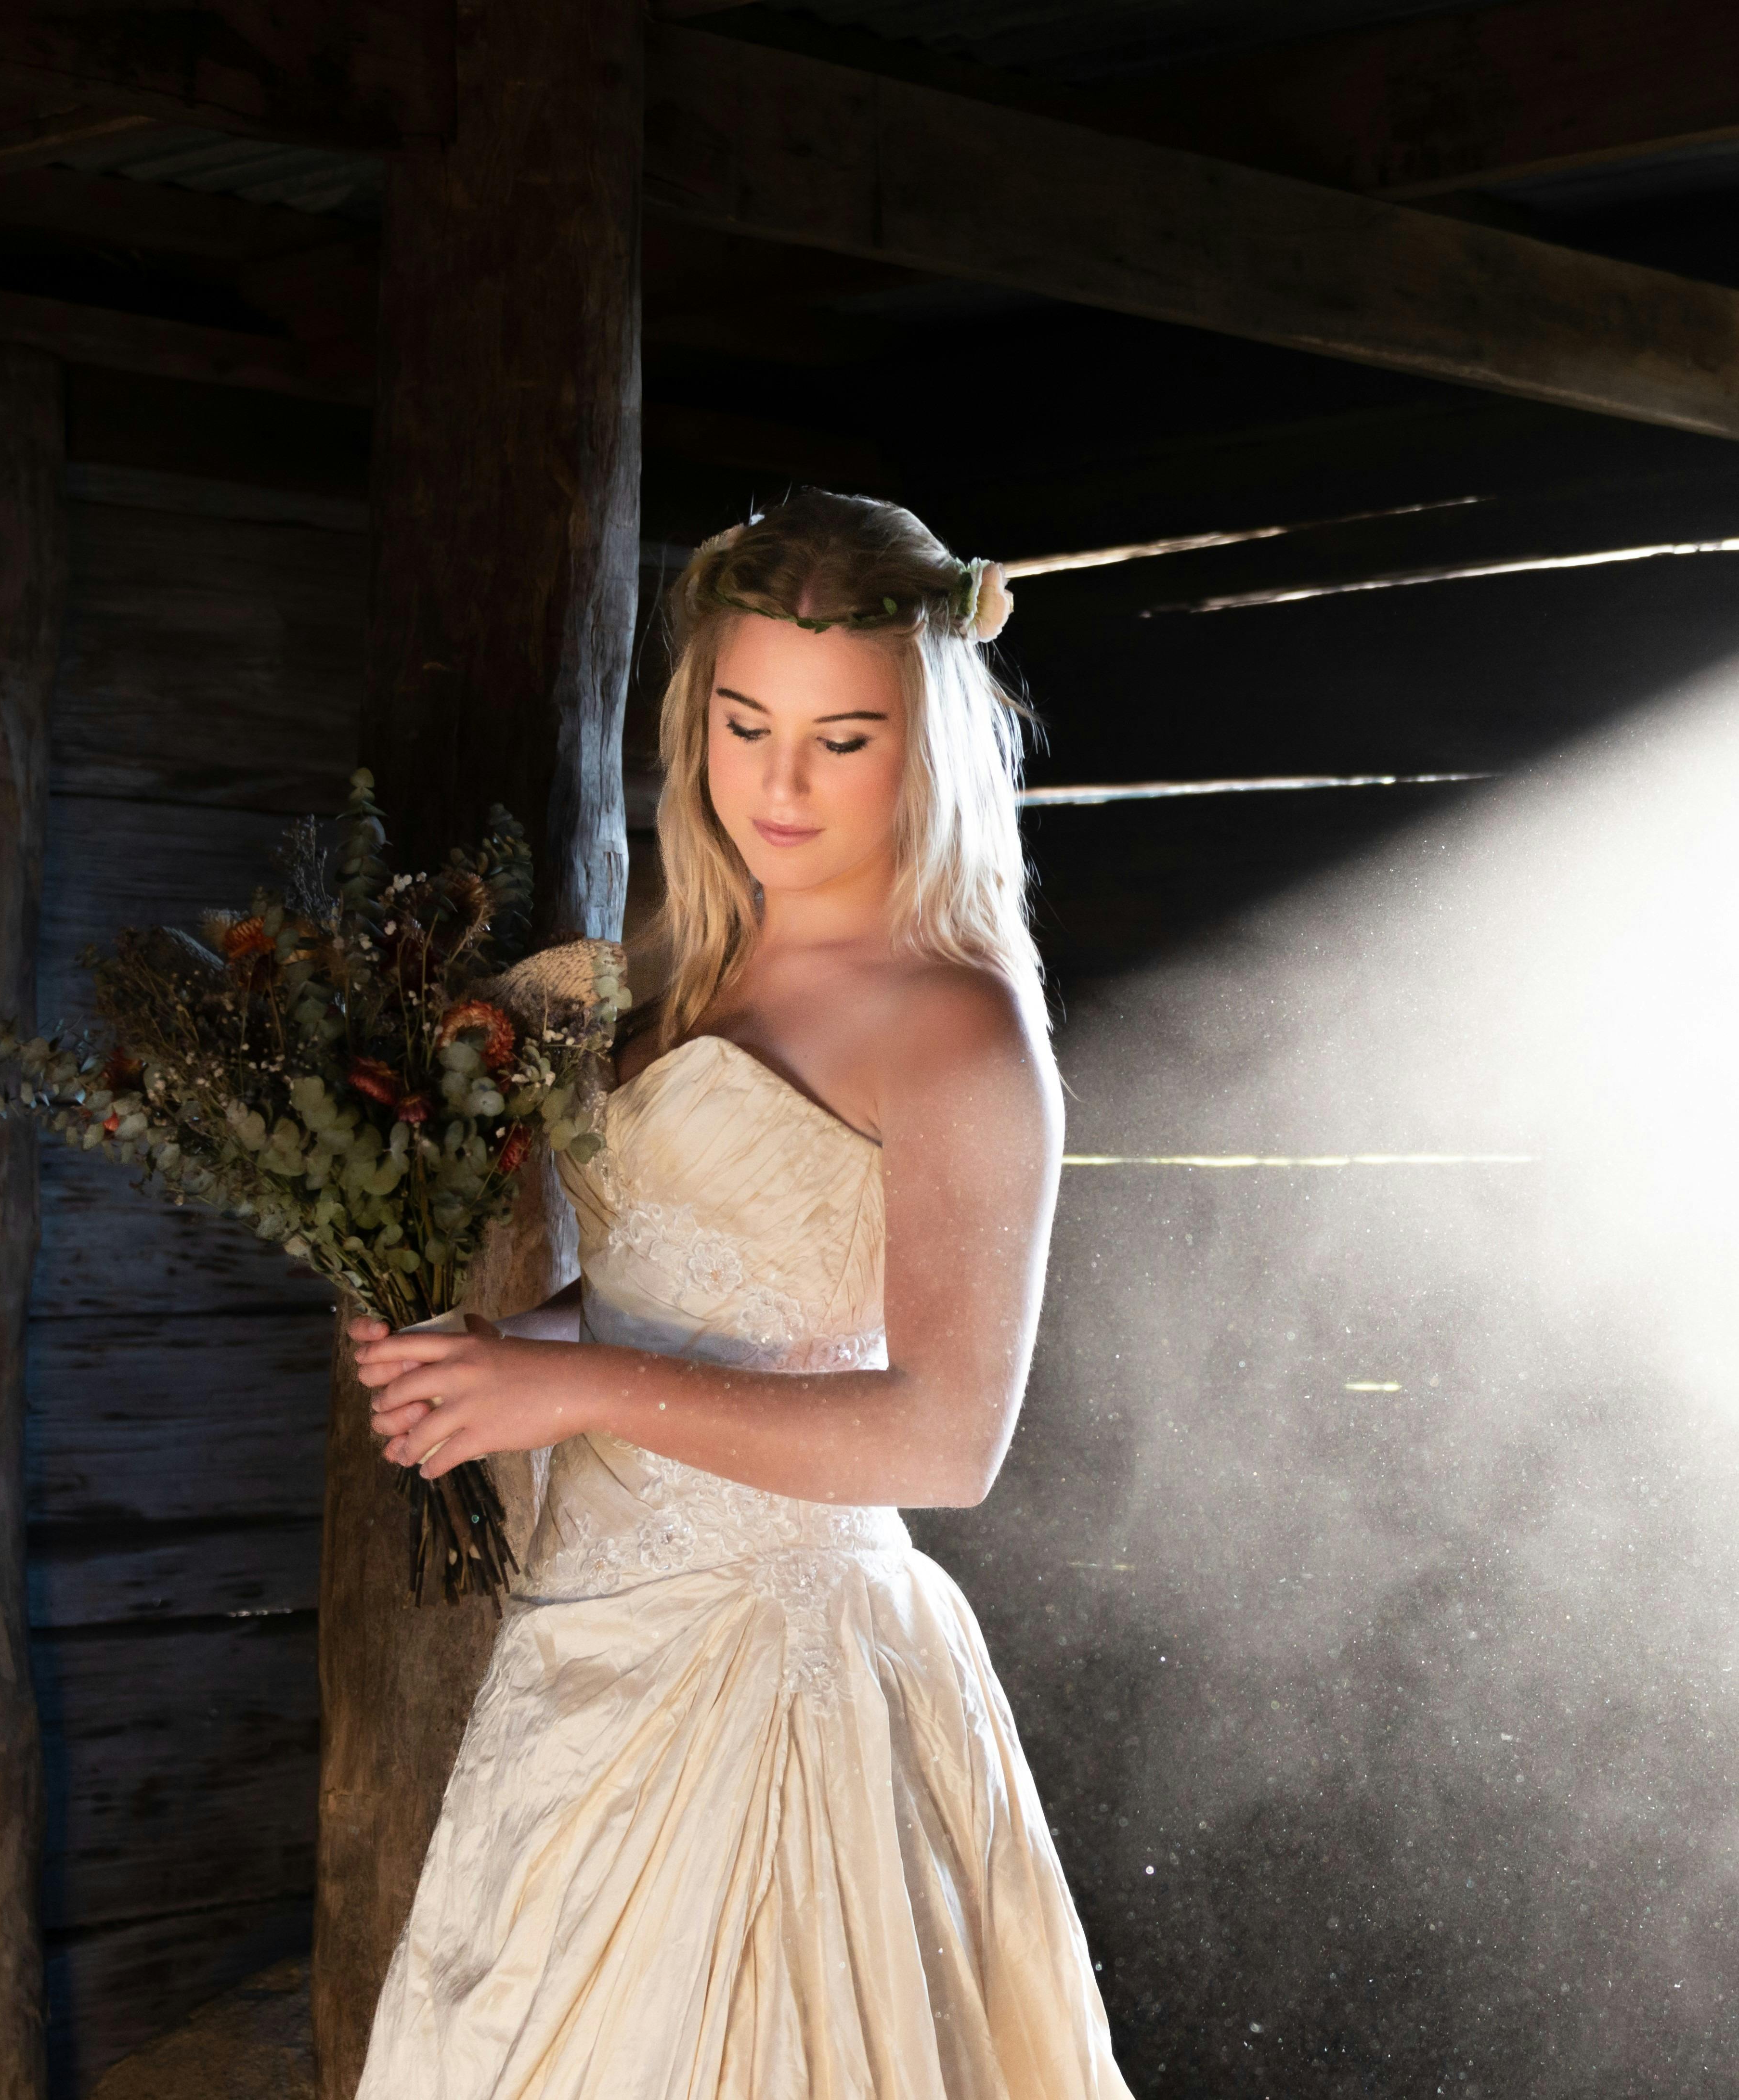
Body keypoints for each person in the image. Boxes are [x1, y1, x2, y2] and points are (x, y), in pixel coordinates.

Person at [345, 490, 1130, 2100]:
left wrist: (565, 1391)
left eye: (843, 739)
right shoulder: (686, 960)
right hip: (580, 1653)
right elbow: (667, 1297)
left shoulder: (957, 1027)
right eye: (743, 720)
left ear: (930, 739)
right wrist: (495, 1351)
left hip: (781, 1674)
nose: (781, 782)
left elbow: (947, 1439)